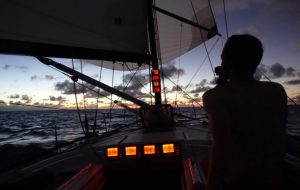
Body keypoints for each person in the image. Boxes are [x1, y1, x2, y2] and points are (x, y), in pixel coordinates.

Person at [202, 34, 287, 190]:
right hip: (275, 181)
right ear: (257, 60)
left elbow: (221, 145)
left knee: (202, 166)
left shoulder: (214, 96)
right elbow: (277, 133)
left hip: (239, 183)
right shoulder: (277, 91)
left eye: (222, 58)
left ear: (226, 61)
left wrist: (211, 187)